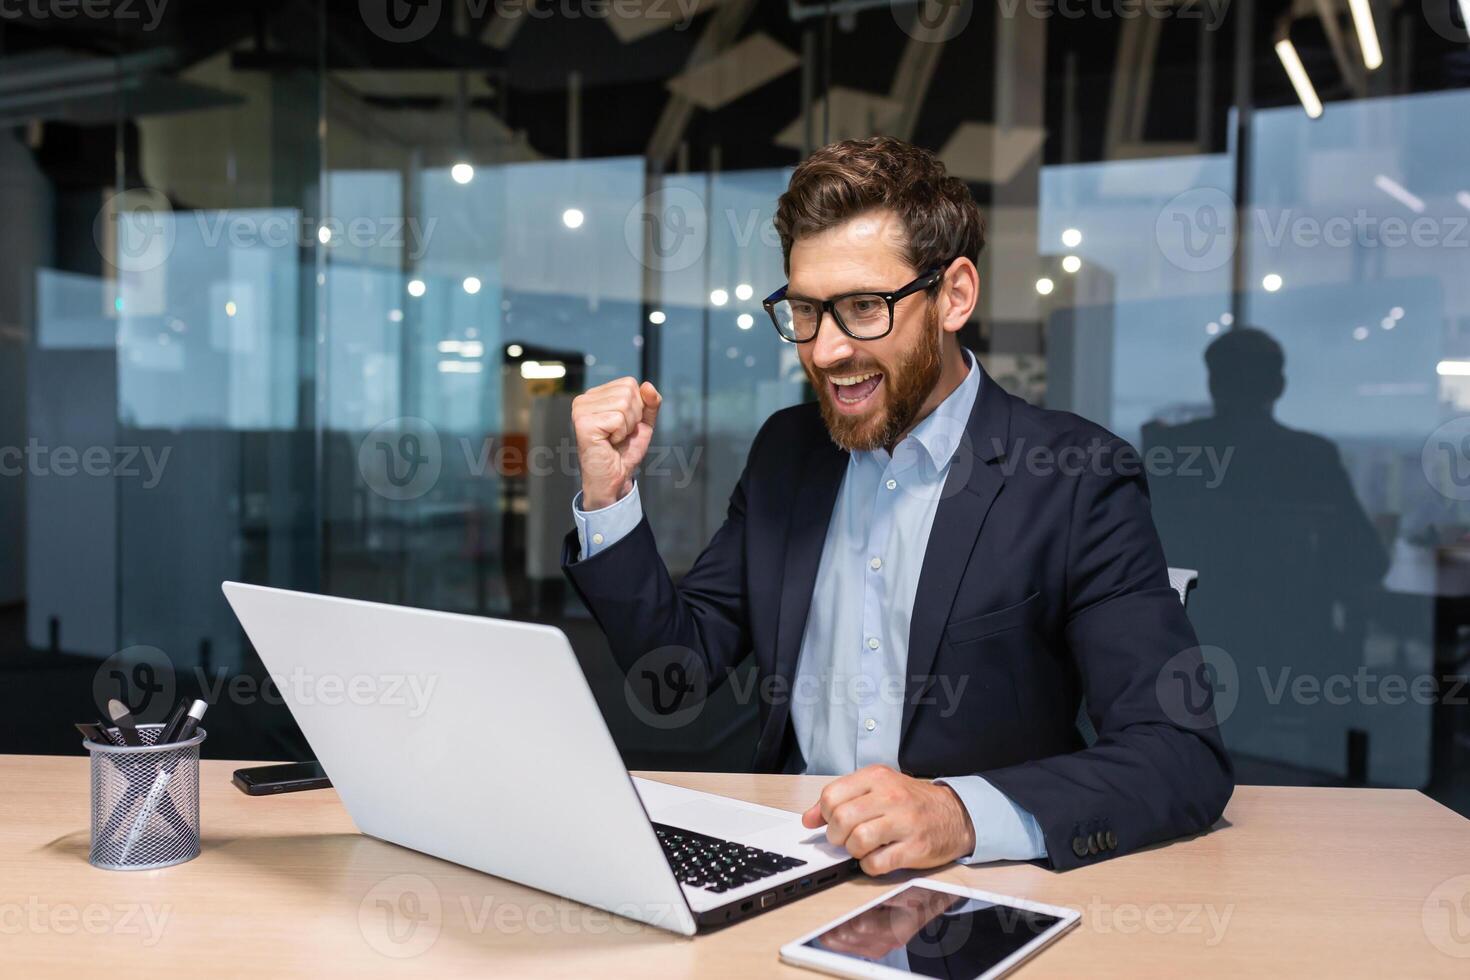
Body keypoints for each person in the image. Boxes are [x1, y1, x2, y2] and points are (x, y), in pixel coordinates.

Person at [563, 136, 1232, 874]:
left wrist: (958, 813)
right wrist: (610, 495)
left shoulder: (1077, 477)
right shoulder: (788, 452)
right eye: (808, 311)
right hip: (788, 859)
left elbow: (1178, 755)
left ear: (954, 296)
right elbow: (677, 671)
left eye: (863, 307)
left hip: (981, 887)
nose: (824, 351)